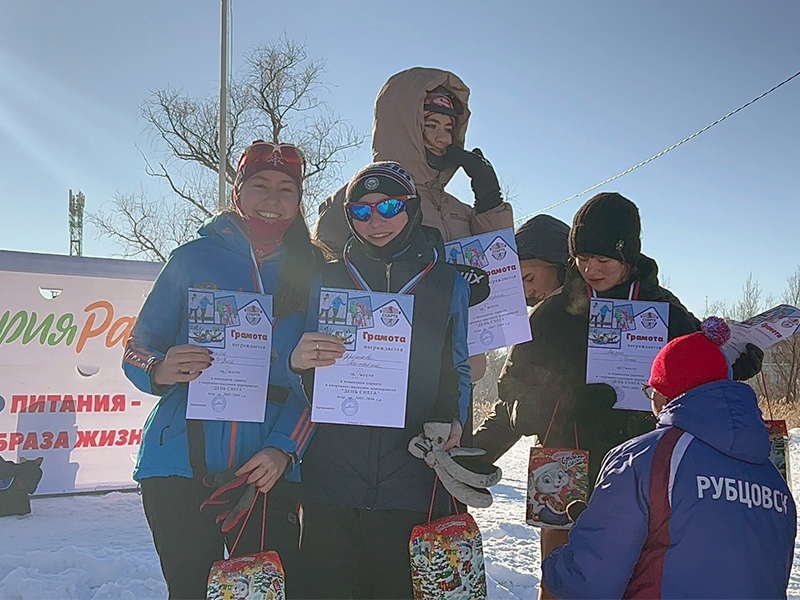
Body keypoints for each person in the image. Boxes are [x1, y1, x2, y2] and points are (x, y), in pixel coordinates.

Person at [492, 192, 763, 599]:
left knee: (633, 579)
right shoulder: (553, 313)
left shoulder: (662, 309)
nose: (591, 270)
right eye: (583, 258)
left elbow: (697, 375)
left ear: (629, 255)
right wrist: (556, 403)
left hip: (644, 472)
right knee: (563, 582)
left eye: (603, 259)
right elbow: (512, 389)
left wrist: (730, 365)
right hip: (565, 467)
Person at [122, 141, 321, 600]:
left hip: (264, 468)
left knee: (267, 591)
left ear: (298, 200)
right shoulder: (192, 258)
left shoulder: (314, 272)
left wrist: (284, 449)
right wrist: (160, 366)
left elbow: (323, 382)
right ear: (238, 192)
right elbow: (136, 348)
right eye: (260, 186)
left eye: (286, 189)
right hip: (178, 463)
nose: (272, 199)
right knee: (190, 590)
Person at [292, 161, 472, 599]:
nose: (376, 221)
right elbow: (295, 368)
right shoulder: (326, 278)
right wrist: (296, 362)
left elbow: (459, 365)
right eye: (361, 211)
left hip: (409, 473)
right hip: (332, 478)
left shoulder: (447, 282)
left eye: (389, 206)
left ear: (411, 208)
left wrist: (455, 420)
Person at [542, 317, 796, 599]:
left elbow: (588, 582)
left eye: (650, 390)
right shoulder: (772, 476)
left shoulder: (643, 457)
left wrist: (558, 551)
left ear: (663, 394)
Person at [315, 67, 514, 384]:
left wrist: (490, 200)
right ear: (403, 126)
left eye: (449, 128)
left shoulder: (457, 209)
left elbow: (502, 277)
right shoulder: (357, 203)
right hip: (374, 374)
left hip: (453, 380)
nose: (442, 138)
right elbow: (327, 288)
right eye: (430, 125)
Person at [472, 214, 571, 461]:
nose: (528, 292)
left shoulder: (632, 303)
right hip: (561, 461)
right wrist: (474, 457)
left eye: (529, 278)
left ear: (561, 263)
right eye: (519, 286)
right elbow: (513, 396)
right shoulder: (539, 322)